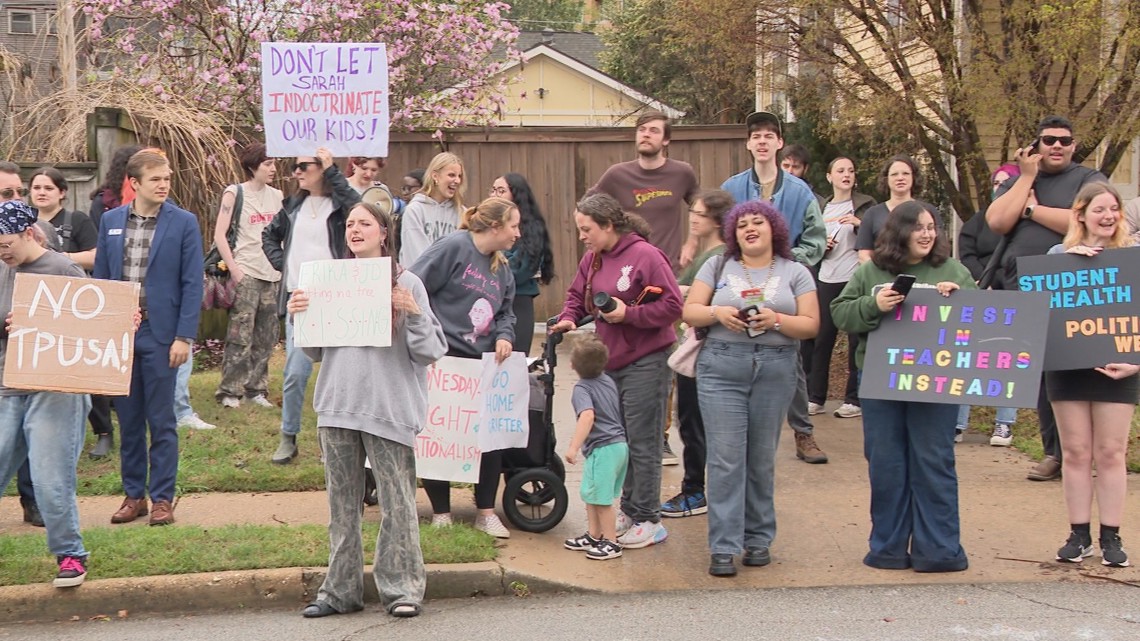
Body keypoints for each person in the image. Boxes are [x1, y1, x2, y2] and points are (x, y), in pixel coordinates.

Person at [287, 201, 446, 618]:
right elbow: (316, 349)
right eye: (350, 224)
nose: (355, 230)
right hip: (337, 407)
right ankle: (339, 592)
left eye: (365, 223)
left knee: (398, 505)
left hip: (388, 409)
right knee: (342, 507)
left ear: (384, 232)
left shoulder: (407, 282)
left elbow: (430, 351)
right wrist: (301, 317)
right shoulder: (330, 279)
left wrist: (411, 313)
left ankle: (403, 590)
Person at [832, 201, 976, 572]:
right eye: (919, 227)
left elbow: (982, 319)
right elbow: (840, 313)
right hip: (881, 380)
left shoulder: (954, 270)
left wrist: (960, 303)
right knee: (886, 464)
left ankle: (940, 550)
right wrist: (873, 303)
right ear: (899, 233)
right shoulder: (872, 272)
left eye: (932, 227)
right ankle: (888, 548)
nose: (928, 234)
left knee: (934, 461)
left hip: (936, 381)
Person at [681, 200, 819, 576]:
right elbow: (690, 310)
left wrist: (776, 319)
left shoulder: (796, 272)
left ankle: (758, 540)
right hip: (722, 366)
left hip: (776, 369)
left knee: (760, 459)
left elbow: (810, 325)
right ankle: (723, 547)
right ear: (732, 233)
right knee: (726, 459)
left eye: (758, 222)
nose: (749, 229)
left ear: (774, 228)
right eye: (741, 225)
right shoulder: (717, 265)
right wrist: (717, 313)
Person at [551, 193, 683, 549]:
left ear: (609, 226)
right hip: (612, 363)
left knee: (643, 440)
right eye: (580, 229)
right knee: (617, 440)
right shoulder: (593, 259)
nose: (582, 236)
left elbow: (673, 305)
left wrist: (630, 315)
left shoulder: (646, 256)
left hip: (647, 360)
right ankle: (627, 508)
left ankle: (648, 517)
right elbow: (577, 296)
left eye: (587, 229)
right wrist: (567, 317)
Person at [986, 115, 1106, 481]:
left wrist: (1032, 210)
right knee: (1040, 372)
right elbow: (996, 222)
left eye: (1064, 140)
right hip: (1023, 286)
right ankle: (1054, 452)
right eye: (1049, 140)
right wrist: (1024, 179)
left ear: (1074, 145)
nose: (1057, 146)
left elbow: (1084, 222)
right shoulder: (1023, 178)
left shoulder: (1088, 179)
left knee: (1077, 367)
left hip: (1074, 287)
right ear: (1036, 145)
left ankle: (1085, 455)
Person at [93, 149, 203, 527]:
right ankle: (133, 495)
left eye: (167, 178)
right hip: (122, 335)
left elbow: (192, 283)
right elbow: (104, 282)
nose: (164, 185)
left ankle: (162, 498)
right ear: (134, 183)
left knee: (162, 420)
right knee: (129, 418)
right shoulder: (110, 221)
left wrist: (183, 336)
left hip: (162, 333)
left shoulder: (184, 223)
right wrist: (105, 334)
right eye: (156, 179)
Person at [721, 111, 829, 464]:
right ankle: (738, 434)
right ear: (749, 144)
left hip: (784, 284)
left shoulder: (799, 191)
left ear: (780, 143)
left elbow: (816, 239)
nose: (763, 141)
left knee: (787, 354)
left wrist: (786, 259)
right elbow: (719, 234)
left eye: (770, 135)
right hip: (741, 280)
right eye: (757, 136)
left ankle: (803, 432)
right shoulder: (732, 188)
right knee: (735, 347)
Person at [410, 197, 520, 538]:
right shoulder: (453, 247)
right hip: (443, 361)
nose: (518, 233)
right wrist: (426, 332)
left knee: (488, 440)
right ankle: (440, 512)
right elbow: (415, 285)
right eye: (514, 225)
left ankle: (485, 511)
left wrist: (504, 335)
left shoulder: (501, 266)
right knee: (440, 437)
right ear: (495, 226)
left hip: (482, 365)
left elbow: (506, 311)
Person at [0, 200, 95, 587]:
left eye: (5, 244)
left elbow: (97, 323)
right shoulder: (2, 269)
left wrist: (128, 320)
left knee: (49, 477)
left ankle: (71, 555)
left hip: (56, 388)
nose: (1, 252)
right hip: (9, 386)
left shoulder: (62, 269)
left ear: (27, 233)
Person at [1044, 182, 1137, 568]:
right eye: (1099, 209)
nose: (1108, 216)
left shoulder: (1133, 257)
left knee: (1111, 452)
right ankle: (1078, 535)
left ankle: (1111, 536)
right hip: (1068, 365)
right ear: (1080, 214)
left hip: (1121, 367)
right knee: (1076, 452)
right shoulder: (1056, 255)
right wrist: (1070, 264)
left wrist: (1137, 360)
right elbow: (1038, 310)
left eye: (1113, 208)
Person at [261, 148, 360, 464]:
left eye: (303, 166)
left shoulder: (341, 206)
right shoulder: (292, 206)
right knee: (295, 372)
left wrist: (334, 172)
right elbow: (269, 237)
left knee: (337, 377)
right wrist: (286, 267)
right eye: (294, 166)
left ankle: (332, 441)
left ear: (324, 168)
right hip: (300, 301)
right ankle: (288, 437)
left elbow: (361, 206)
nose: (296, 172)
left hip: (337, 301)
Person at [660, 189, 732, 518]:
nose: (693, 218)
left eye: (700, 214)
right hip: (694, 348)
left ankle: (694, 491)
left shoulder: (716, 257)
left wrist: (684, 293)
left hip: (701, 352)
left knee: (694, 424)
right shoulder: (704, 254)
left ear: (717, 220)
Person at [954, 164, 1022, 445]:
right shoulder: (979, 220)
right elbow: (967, 251)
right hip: (980, 292)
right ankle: (958, 423)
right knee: (967, 357)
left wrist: (1004, 286)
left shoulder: (1025, 222)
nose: (1001, 188)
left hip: (1013, 296)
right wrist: (985, 280)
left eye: (1008, 183)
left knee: (1008, 360)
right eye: (998, 183)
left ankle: (1004, 424)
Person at [213, 143, 283, 409]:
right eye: (267, 164)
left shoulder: (277, 196)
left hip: (272, 275)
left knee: (266, 336)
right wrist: (234, 268)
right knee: (240, 334)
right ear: (253, 166)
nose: (273, 169)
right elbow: (220, 233)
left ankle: (257, 389)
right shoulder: (235, 193)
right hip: (246, 272)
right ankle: (230, 390)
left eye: (274, 163)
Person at [808, 157, 876, 420]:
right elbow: (809, 241)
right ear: (829, 177)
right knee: (821, 338)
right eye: (840, 170)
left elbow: (878, 237)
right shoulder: (820, 207)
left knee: (855, 339)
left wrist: (860, 226)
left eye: (850, 170)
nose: (846, 175)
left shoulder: (865, 206)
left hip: (854, 278)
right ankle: (816, 397)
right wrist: (820, 246)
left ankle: (853, 399)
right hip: (826, 276)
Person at [588, 110, 699, 270]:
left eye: (654, 131)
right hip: (627, 269)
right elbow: (584, 210)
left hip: (667, 268)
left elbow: (701, 208)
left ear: (665, 140)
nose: (646, 134)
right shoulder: (617, 175)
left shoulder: (682, 173)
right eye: (642, 129)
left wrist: (691, 243)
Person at [0, 162, 43, 524]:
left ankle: (33, 502)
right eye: (5, 194)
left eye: (18, 192)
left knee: (27, 439)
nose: (14, 200)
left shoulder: (38, 237)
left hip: (28, 365)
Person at [562, 334, 629, 560]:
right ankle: (594, 534)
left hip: (603, 448)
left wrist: (573, 447)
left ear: (572, 365)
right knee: (592, 493)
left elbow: (587, 417)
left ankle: (612, 542)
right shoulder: (608, 380)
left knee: (602, 500)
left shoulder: (582, 389)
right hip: (619, 447)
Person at [491, 173, 554, 356]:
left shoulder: (532, 229)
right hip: (489, 300)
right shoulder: (486, 226)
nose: (495, 195)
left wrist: (490, 270)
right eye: (493, 190)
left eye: (501, 191)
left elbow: (521, 270)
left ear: (516, 195)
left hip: (518, 301)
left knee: (513, 360)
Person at [855, 155, 941, 264]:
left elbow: (939, 250)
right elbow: (864, 255)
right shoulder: (872, 214)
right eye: (894, 174)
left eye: (905, 173)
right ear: (886, 179)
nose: (900, 178)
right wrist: (878, 275)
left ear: (913, 177)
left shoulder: (928, 211)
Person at [399, 153, 464, 265]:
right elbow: (416, 256)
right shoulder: (415, 210)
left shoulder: (462, 213)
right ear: (435, 176)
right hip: (420, 279)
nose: (457, 180)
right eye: (452, 175)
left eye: (459, 176)